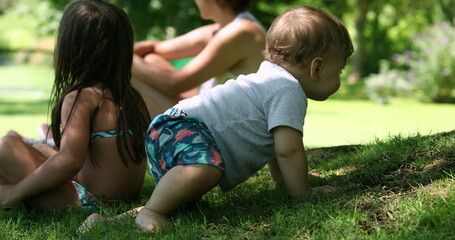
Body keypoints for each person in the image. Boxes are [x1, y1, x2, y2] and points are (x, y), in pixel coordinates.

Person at [79, 5, 354, 233]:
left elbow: (273, 143)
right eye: (339, 70)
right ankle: (151, 212)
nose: (338, 78)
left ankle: (105, 222)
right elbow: (288, 149)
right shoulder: (288, 90)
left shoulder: (271, 79)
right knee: (205, 169)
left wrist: (288, 181)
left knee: (181, 197)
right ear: (317, 67)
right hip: (182, 129)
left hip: (173, 129)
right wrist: (301, 192)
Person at [0, 0, 150, 210]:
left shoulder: (82, 96)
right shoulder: (131, 96)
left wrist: (15, 192)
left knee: (7, 147)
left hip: (91, 203)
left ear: (71, 48)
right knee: (40, 147)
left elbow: (70, 160)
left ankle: (11, 198)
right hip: (121, 197)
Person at [131, 0, 266, 117]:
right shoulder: (224, 28)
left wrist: (122, 55)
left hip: (223, 131)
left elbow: (173, 84)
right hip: (212, 115)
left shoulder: (241, 31)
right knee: (150, 59)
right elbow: (154, 48)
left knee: (132, 73)